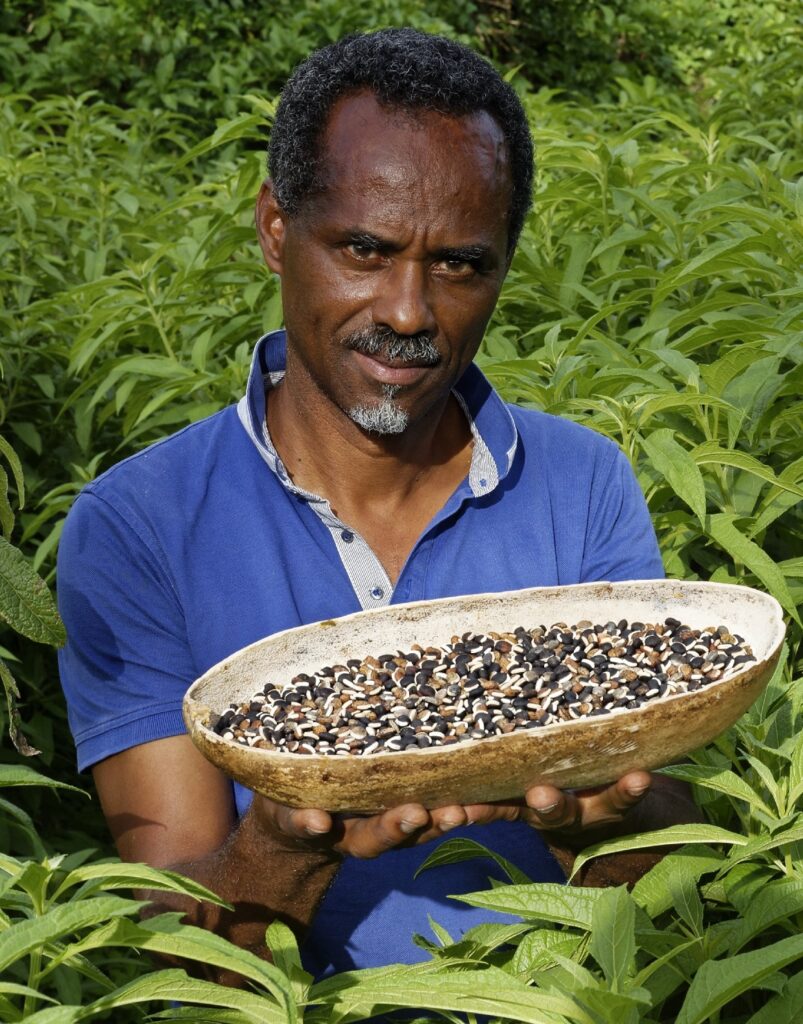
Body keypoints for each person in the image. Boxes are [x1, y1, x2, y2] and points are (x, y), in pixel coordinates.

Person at [56, 28, 698, 979]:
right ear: (276, 228)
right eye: (364, 247)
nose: (407, 311)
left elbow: (664, 892)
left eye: (460, 264)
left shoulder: (582, 484)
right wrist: (291, 841)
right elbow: (177, 948)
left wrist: (619, 818)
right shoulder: (137, 525)